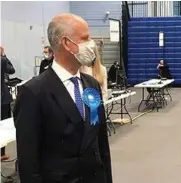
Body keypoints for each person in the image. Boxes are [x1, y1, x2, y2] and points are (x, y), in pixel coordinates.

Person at [13, 13, 112, 183]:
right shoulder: (33, 92)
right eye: (85, 38)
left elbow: (101, 141)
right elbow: (29, 162)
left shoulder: (92, 84)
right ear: (67, 43)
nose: (91, 44)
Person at [1, 46, 15, 161]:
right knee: (4, 125)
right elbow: (11, 70)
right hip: (3, 97)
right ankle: (1, 153)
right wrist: (4, 55)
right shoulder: (2, 60)